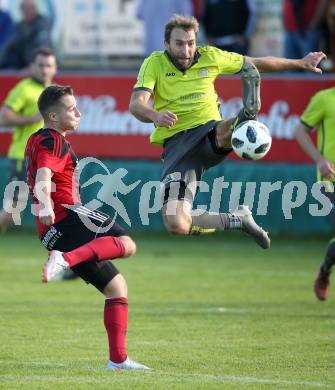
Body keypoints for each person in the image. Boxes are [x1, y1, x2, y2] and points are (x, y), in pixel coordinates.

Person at [129, 14, 325, 248]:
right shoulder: (154, 62)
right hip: (178, 147)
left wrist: (299, 63)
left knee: (224, 128)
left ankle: (246, 116)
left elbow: (254, 62)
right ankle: (238, 219)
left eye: (191, 43)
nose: (186, 50)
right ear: (166, 44)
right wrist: (155, 115)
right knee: (176, 224)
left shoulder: (210, 56)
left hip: (208, 131)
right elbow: (136, 104)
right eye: (179, 43)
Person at [24, 84, 149, 370]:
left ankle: (117, 360)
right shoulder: (54, 139)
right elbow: (44, 173)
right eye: (71, 109)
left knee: (117, 288)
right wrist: (44, 205)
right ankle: (64, 260)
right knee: (128, 245)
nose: (78, 113)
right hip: (66, 216)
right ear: (53, 117)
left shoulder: (36, 139)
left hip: (50, 232)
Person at [0, 47, 56, 233]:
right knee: (12, 212)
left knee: (60, 207)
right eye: (40, 65)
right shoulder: (24, 89)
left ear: (54, 68)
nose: (44, 70)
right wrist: (30, 119)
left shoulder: (55, 92)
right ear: (32, 66)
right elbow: (4, 118)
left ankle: (63, 254)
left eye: (48, 65)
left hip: (48, 160)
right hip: (23, 157)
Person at [294, 86, 335, 301]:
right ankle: (325, 273)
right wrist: (319, 160)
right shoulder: (324, 99)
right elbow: (299, 131)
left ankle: (325, 270)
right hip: (329, 182)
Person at [0, 0, 53, 69]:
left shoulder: (42, 24)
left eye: (29, 8)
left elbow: (43, 47)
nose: (27, 12)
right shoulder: (20, 27)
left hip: (41, 68)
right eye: (24, 9)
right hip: (23, 68)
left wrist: (32, 68)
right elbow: (8, 46)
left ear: (35, 9)